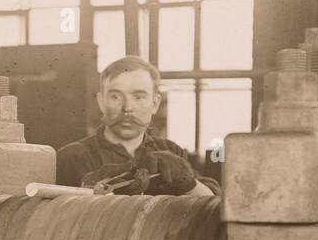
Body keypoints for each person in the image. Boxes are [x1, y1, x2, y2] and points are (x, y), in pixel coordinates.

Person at [56, 55, 210, 195]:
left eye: (139, 97)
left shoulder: (171, 151)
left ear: (155, 103)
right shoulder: (72, 158)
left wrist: (187, 182)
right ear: (101, 102)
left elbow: (212, 206)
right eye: (115, 97)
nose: (127, 108)